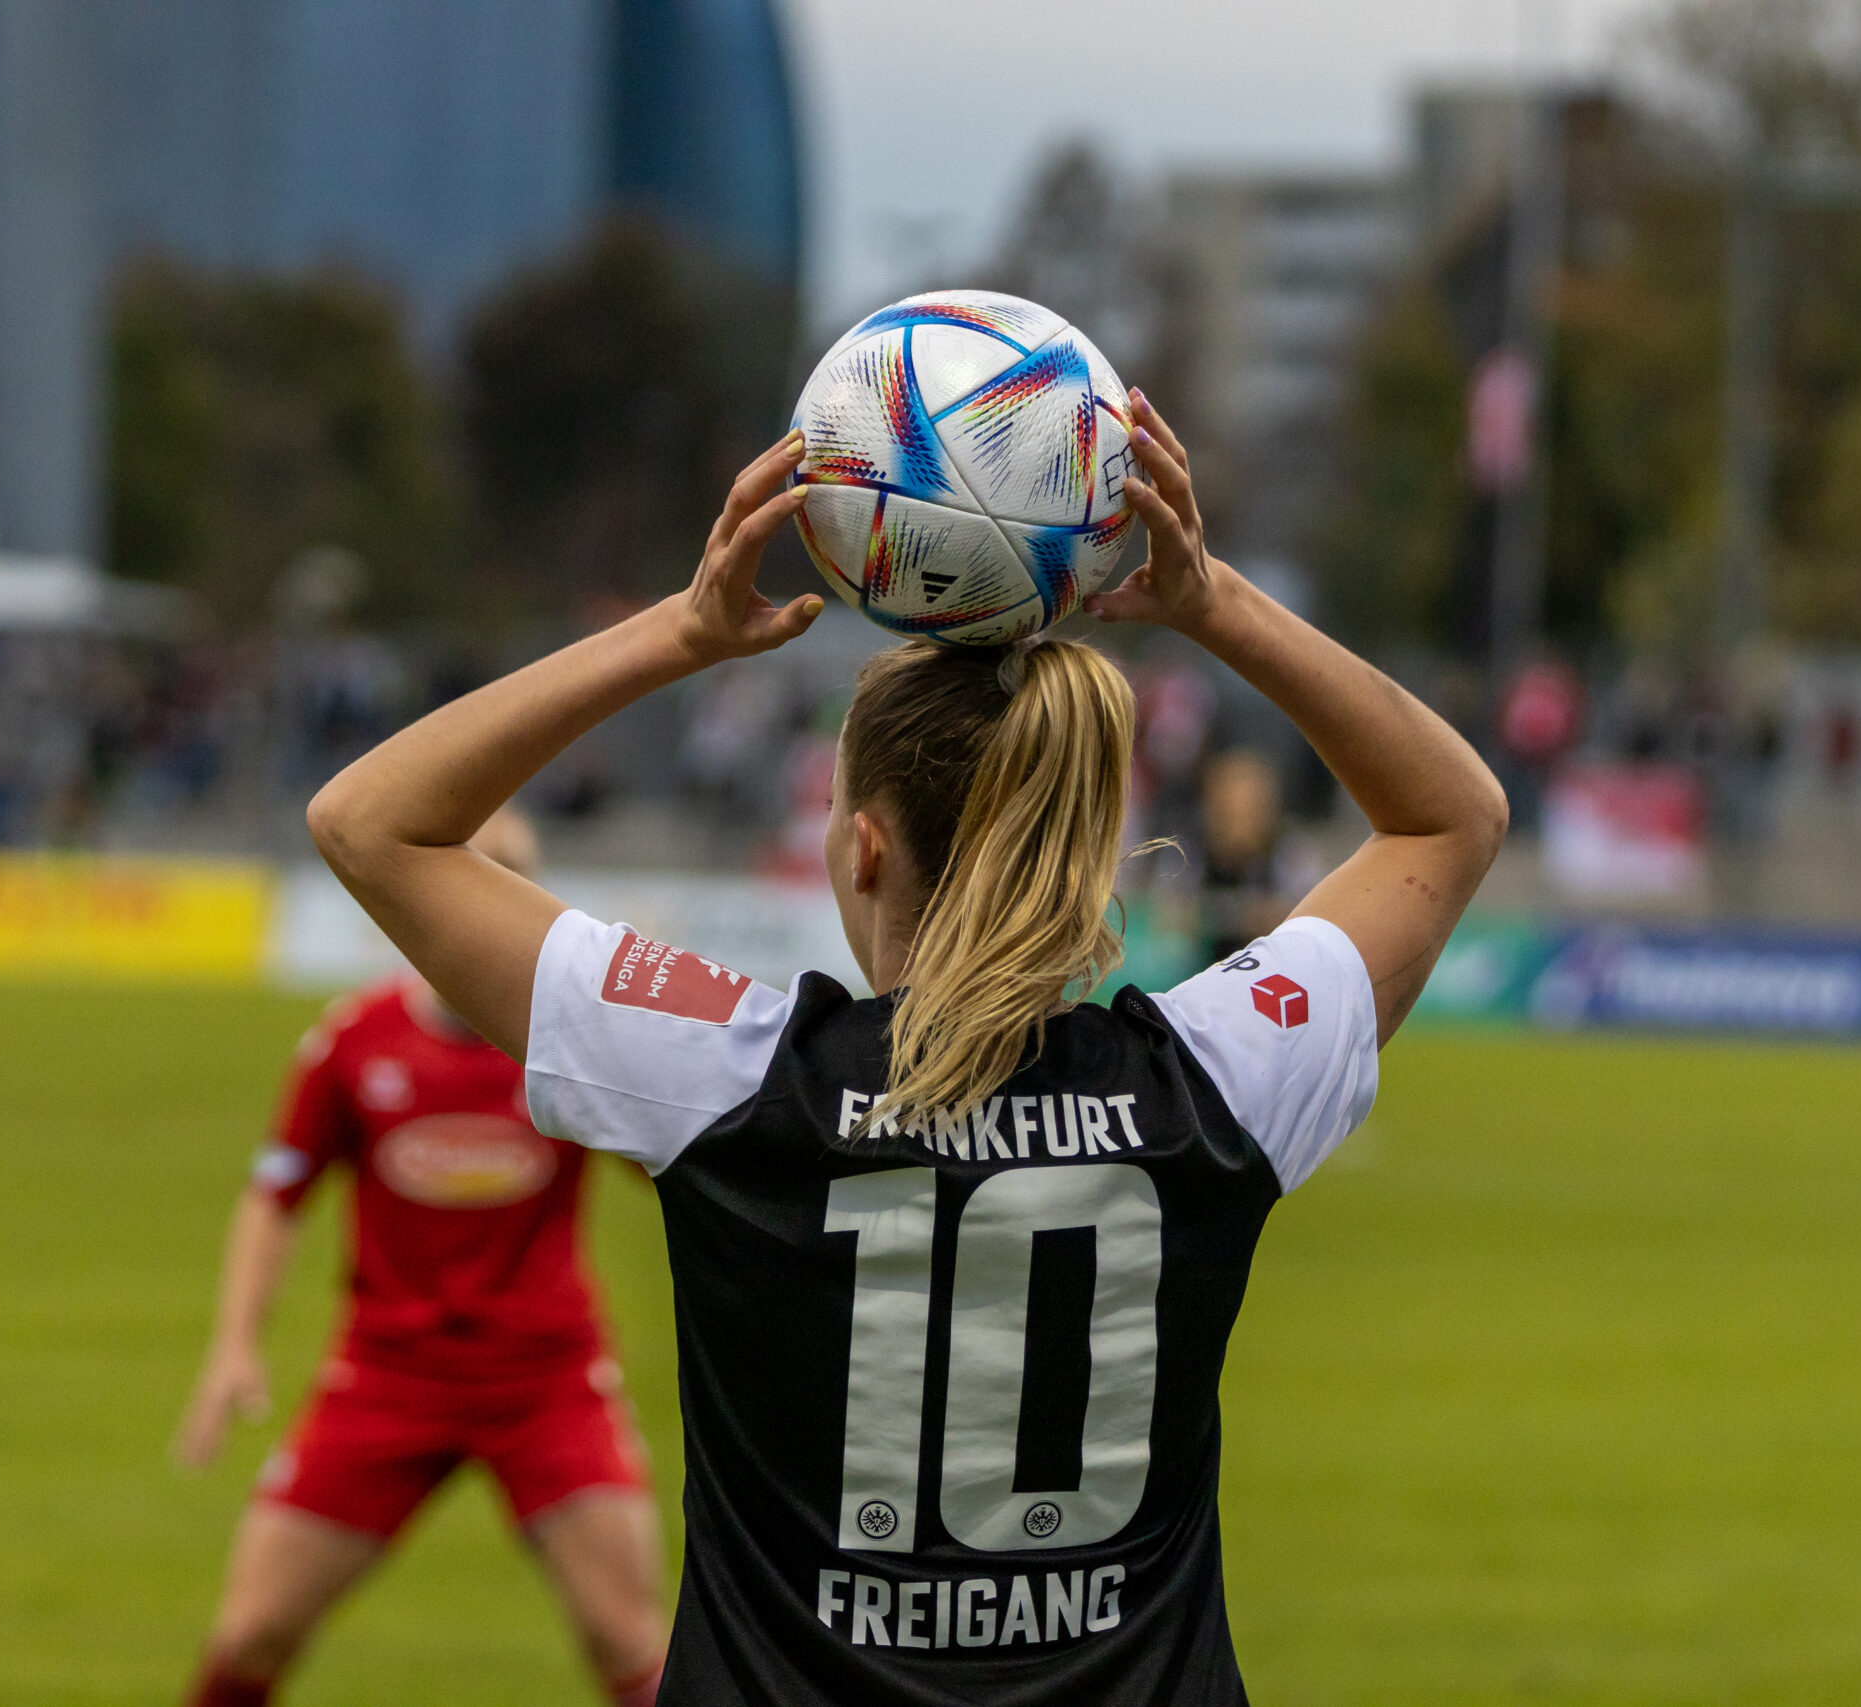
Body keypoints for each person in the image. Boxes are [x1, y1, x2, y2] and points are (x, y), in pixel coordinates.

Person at [303, 394, 1508, 1703]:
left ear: (864, 846)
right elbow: (1448, 818)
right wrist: (1214, 607)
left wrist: (681, 632)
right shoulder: (1210, 1079)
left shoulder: (730, 1078)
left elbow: (374, 822)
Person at [172, 808, 666, 1707]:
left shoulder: (567, 1051)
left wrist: (644, 1060)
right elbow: (276, 1193)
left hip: (546, 1377)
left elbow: (669, 1170)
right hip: (389, 1374)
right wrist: (235, 1343)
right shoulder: (354, 1041)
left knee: (629, 1641)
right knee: (250, 1632)